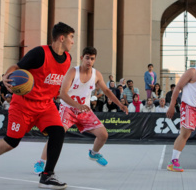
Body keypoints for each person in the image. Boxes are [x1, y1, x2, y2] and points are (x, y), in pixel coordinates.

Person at [0, 22, 75, 189]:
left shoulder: (67, 59)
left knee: (58, 132)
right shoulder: (39, 53)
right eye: (71, 37)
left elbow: (50, 81)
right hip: (24, 104)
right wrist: (6, 76)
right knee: (11, 142)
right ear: (61, 38)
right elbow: (17, 67)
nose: (73, 41)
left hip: (46, 105)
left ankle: (47, 175)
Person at [33, 46, 128, 174]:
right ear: (82, 58)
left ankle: (94, 153)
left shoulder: (96, 74)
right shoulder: (73, 72)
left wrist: (120, 104)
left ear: (94, 60)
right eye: (87, 58)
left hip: (84, 111)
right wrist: (77, 105)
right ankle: (41, 162)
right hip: (68, 108)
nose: (89, 61)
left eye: (92, 59)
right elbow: (63, 93)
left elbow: (106, 91)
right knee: (57, 134)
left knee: (103, 135)